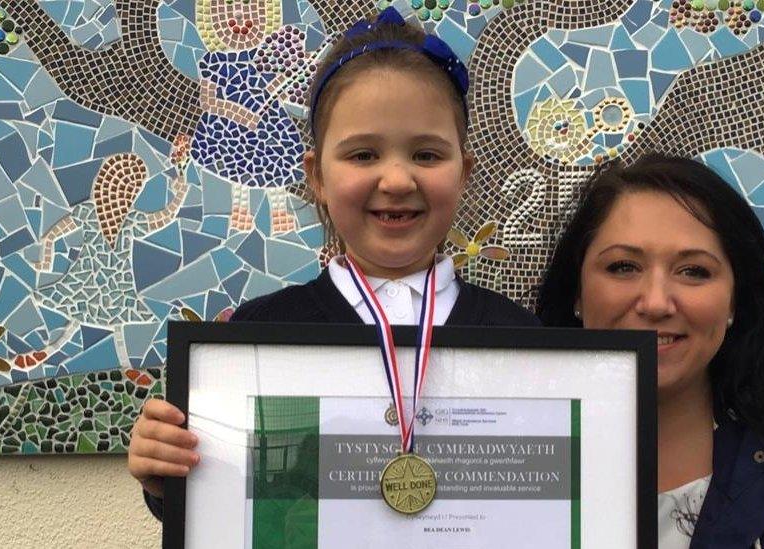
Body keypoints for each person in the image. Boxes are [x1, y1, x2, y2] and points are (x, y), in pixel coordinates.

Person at [128, 7, 539, 520]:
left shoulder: (526, 342)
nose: (396, 180)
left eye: (427, 155)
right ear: (316, 176)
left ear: (464, 173)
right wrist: (168, 477)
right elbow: (234, 510)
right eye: (363, 155)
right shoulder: (255, 337)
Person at [537, 154, 764, 548]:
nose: (656, 302)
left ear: (733, 302)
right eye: (624, 266)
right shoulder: (508, 443)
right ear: (577, 292)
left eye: (694, 271)